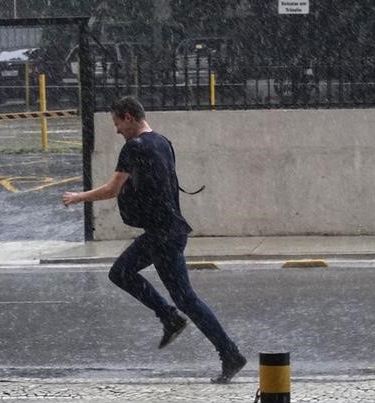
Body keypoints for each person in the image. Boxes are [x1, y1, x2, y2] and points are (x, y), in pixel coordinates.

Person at [62, 95, 246, 384]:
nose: (117, 130)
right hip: (168, 231)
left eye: (117, 123)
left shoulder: (133, 147)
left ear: (129, 117)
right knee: (173, 293)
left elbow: (112, 189)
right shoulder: (163, 141)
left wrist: (78, 197)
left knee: (135, 279)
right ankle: (198, 333)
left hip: (163, 234)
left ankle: (221, 347)